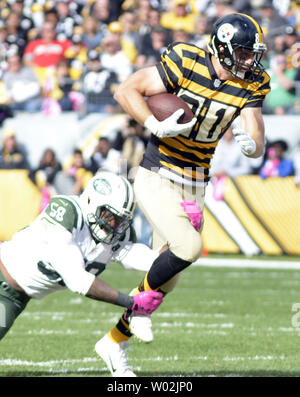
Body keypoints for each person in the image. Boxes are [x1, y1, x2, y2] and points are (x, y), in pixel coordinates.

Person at [94, 13, 271, 377]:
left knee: (168, 277)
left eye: (253, 54)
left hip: (196, 180)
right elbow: (125, 89)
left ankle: (114, 341)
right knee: (188, 248)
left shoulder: (252, 83)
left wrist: (250, 146)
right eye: (243, 53)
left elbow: (257, 141)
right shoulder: (186, 60)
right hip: (156, 171)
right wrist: (152, 122)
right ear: (221, 49)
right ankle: (135, 303)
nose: (250, 61)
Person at [0, 171, 163, 378]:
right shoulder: (68, 213)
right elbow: (78, 280)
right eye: (109, 215)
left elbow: (148, 259)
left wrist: (179, 248)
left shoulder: (115, 235)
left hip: (15, 298)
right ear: (90, 201)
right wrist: (131, 302)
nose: (114, 224)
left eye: (120, 219)